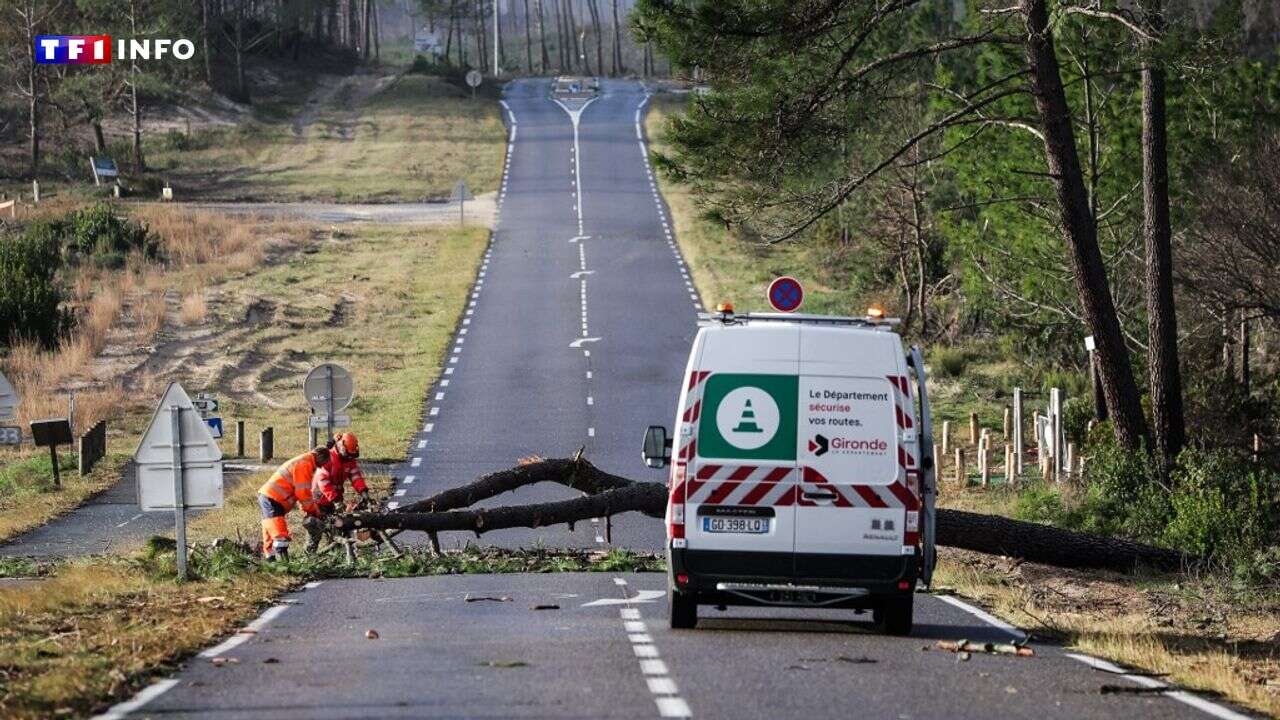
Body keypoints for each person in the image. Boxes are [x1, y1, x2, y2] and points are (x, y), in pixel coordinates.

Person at [301, 432, 371, 552]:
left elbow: (356, 477)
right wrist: (336, 500)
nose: (349, 457)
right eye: (348, 454)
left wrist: (364, 492)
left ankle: (336, 555)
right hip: (319, 501)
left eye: (351, 455)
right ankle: (309, 555)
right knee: (315, 531)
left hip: (335, 500)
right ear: (341, 445)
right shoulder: (328, 458)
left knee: (337, 529)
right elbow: (323, 482)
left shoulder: (349, 460)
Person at [257, 446, 329, 561]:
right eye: (323, 463)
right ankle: (283, 564)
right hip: (272, 498)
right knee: (279, 534)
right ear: (319, 457)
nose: (320, 467)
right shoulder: (305, 464)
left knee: (270, 533)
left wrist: (307, 508)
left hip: (270, 498)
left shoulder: (304, 461)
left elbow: (300, 494)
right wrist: (314, 511)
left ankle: (271, 561)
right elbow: (303, 494)